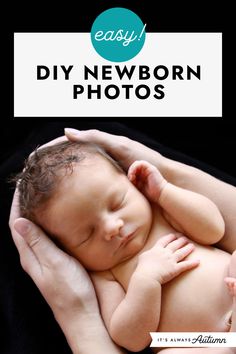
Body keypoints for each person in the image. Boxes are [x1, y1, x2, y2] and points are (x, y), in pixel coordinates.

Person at [8, 125, 236, 354]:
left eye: (117, 203)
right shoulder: (107, 274)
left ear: (132, 182)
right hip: (206, 342)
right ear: (67, 252)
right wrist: (146, 281)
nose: (112, 227)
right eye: (87, 234)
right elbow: (130, 339)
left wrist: (165, 191)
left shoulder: (162, 212)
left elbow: (213, 230)